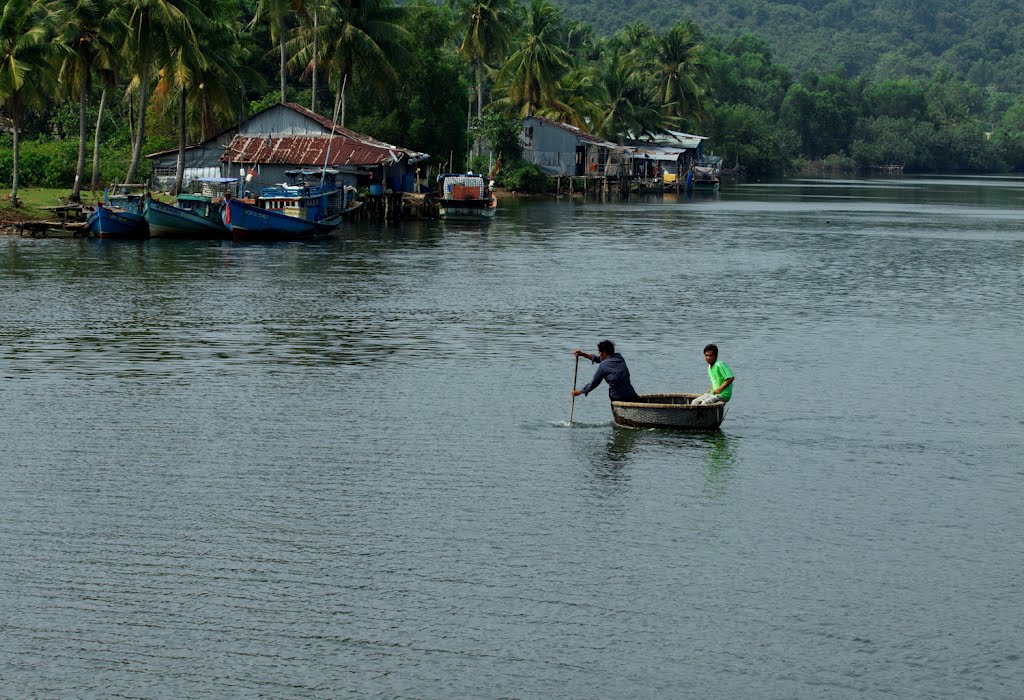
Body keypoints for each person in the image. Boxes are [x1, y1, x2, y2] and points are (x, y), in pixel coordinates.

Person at [571, 340, 639, 402]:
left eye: (599, 352)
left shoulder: (603, 365)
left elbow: (594, 383)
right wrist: (582, 354)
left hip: (618, 397)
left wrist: (579, 392)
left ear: (604, 353)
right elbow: (598, 359)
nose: (599, 354)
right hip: (631, 395)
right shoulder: (619, 357)